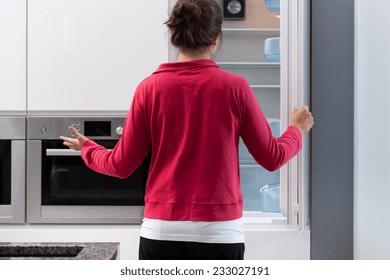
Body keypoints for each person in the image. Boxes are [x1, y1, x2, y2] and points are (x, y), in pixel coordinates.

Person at [60, 0, 314, 260]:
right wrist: (296, 129)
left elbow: (120, 165)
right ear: (216, 38)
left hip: (161, 232)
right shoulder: (235, 88)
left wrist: (88, 149)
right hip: (220, 233)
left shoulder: (149, 89)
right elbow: (271, 157)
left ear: (175, 37)